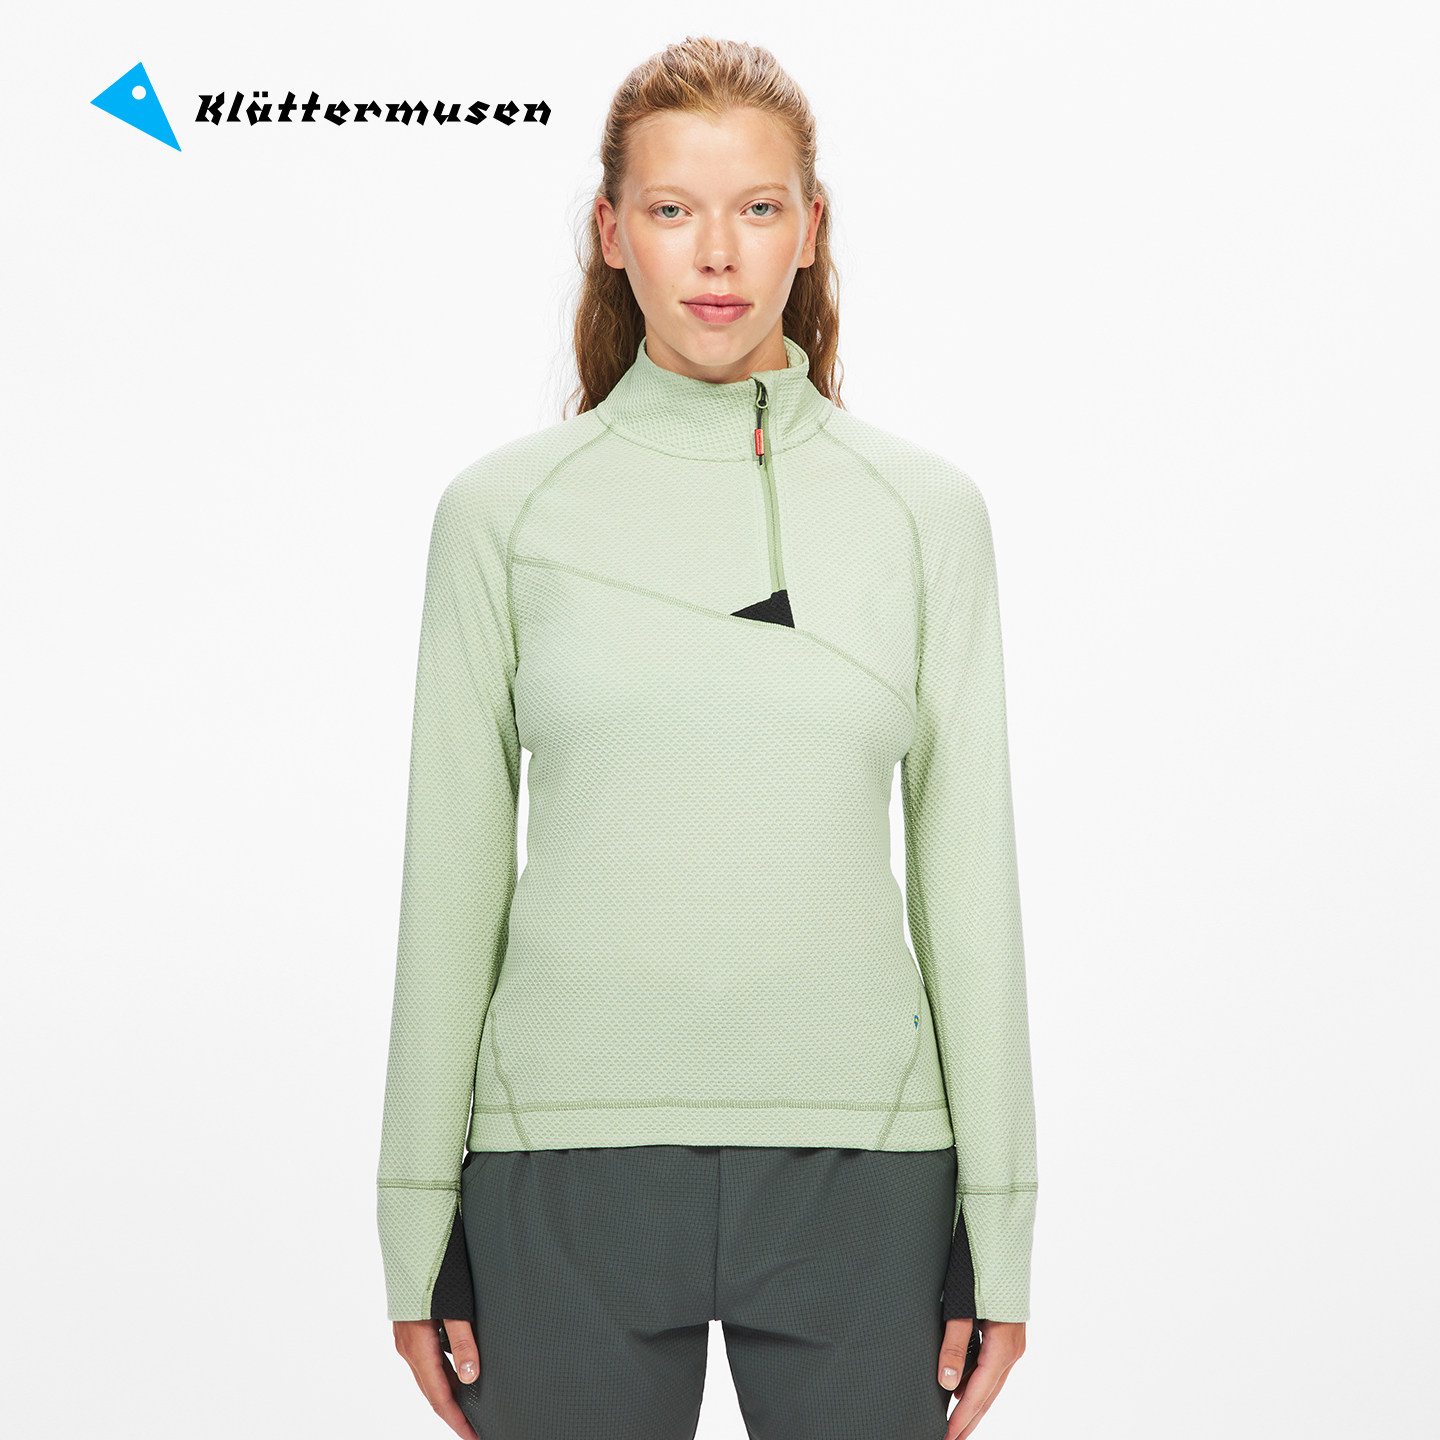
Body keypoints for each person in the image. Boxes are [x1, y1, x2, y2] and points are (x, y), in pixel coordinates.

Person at [376, 35, 1038, 1440]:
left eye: (757, 206)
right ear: (613, 232)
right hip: (563, 1172)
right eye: (673, 208)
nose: (718, 252)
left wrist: (1001, 1219)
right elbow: (450, 890)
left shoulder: (922, 516)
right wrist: (416, 1213)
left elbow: (971, 891)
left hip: (866, 1174)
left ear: (811, 227)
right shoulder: (502, 516)